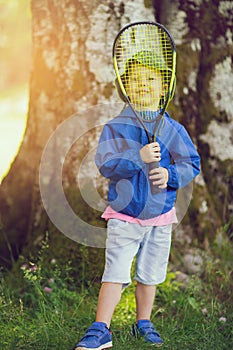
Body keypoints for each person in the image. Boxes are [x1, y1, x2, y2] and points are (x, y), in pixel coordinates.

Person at [73, 53, 200, 350]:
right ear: (125, 86)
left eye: (151, 78)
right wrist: (137, 157)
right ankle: (101, 328)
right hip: (125, 214)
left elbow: (191, 163)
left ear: (164, 87)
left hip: (160, 214)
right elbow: (106, 162)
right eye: (135, 79)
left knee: (151, 272)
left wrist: (170, 173)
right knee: (116, 270)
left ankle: (144, 322)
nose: (143, 84)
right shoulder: (117, 127)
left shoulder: (173, 129)